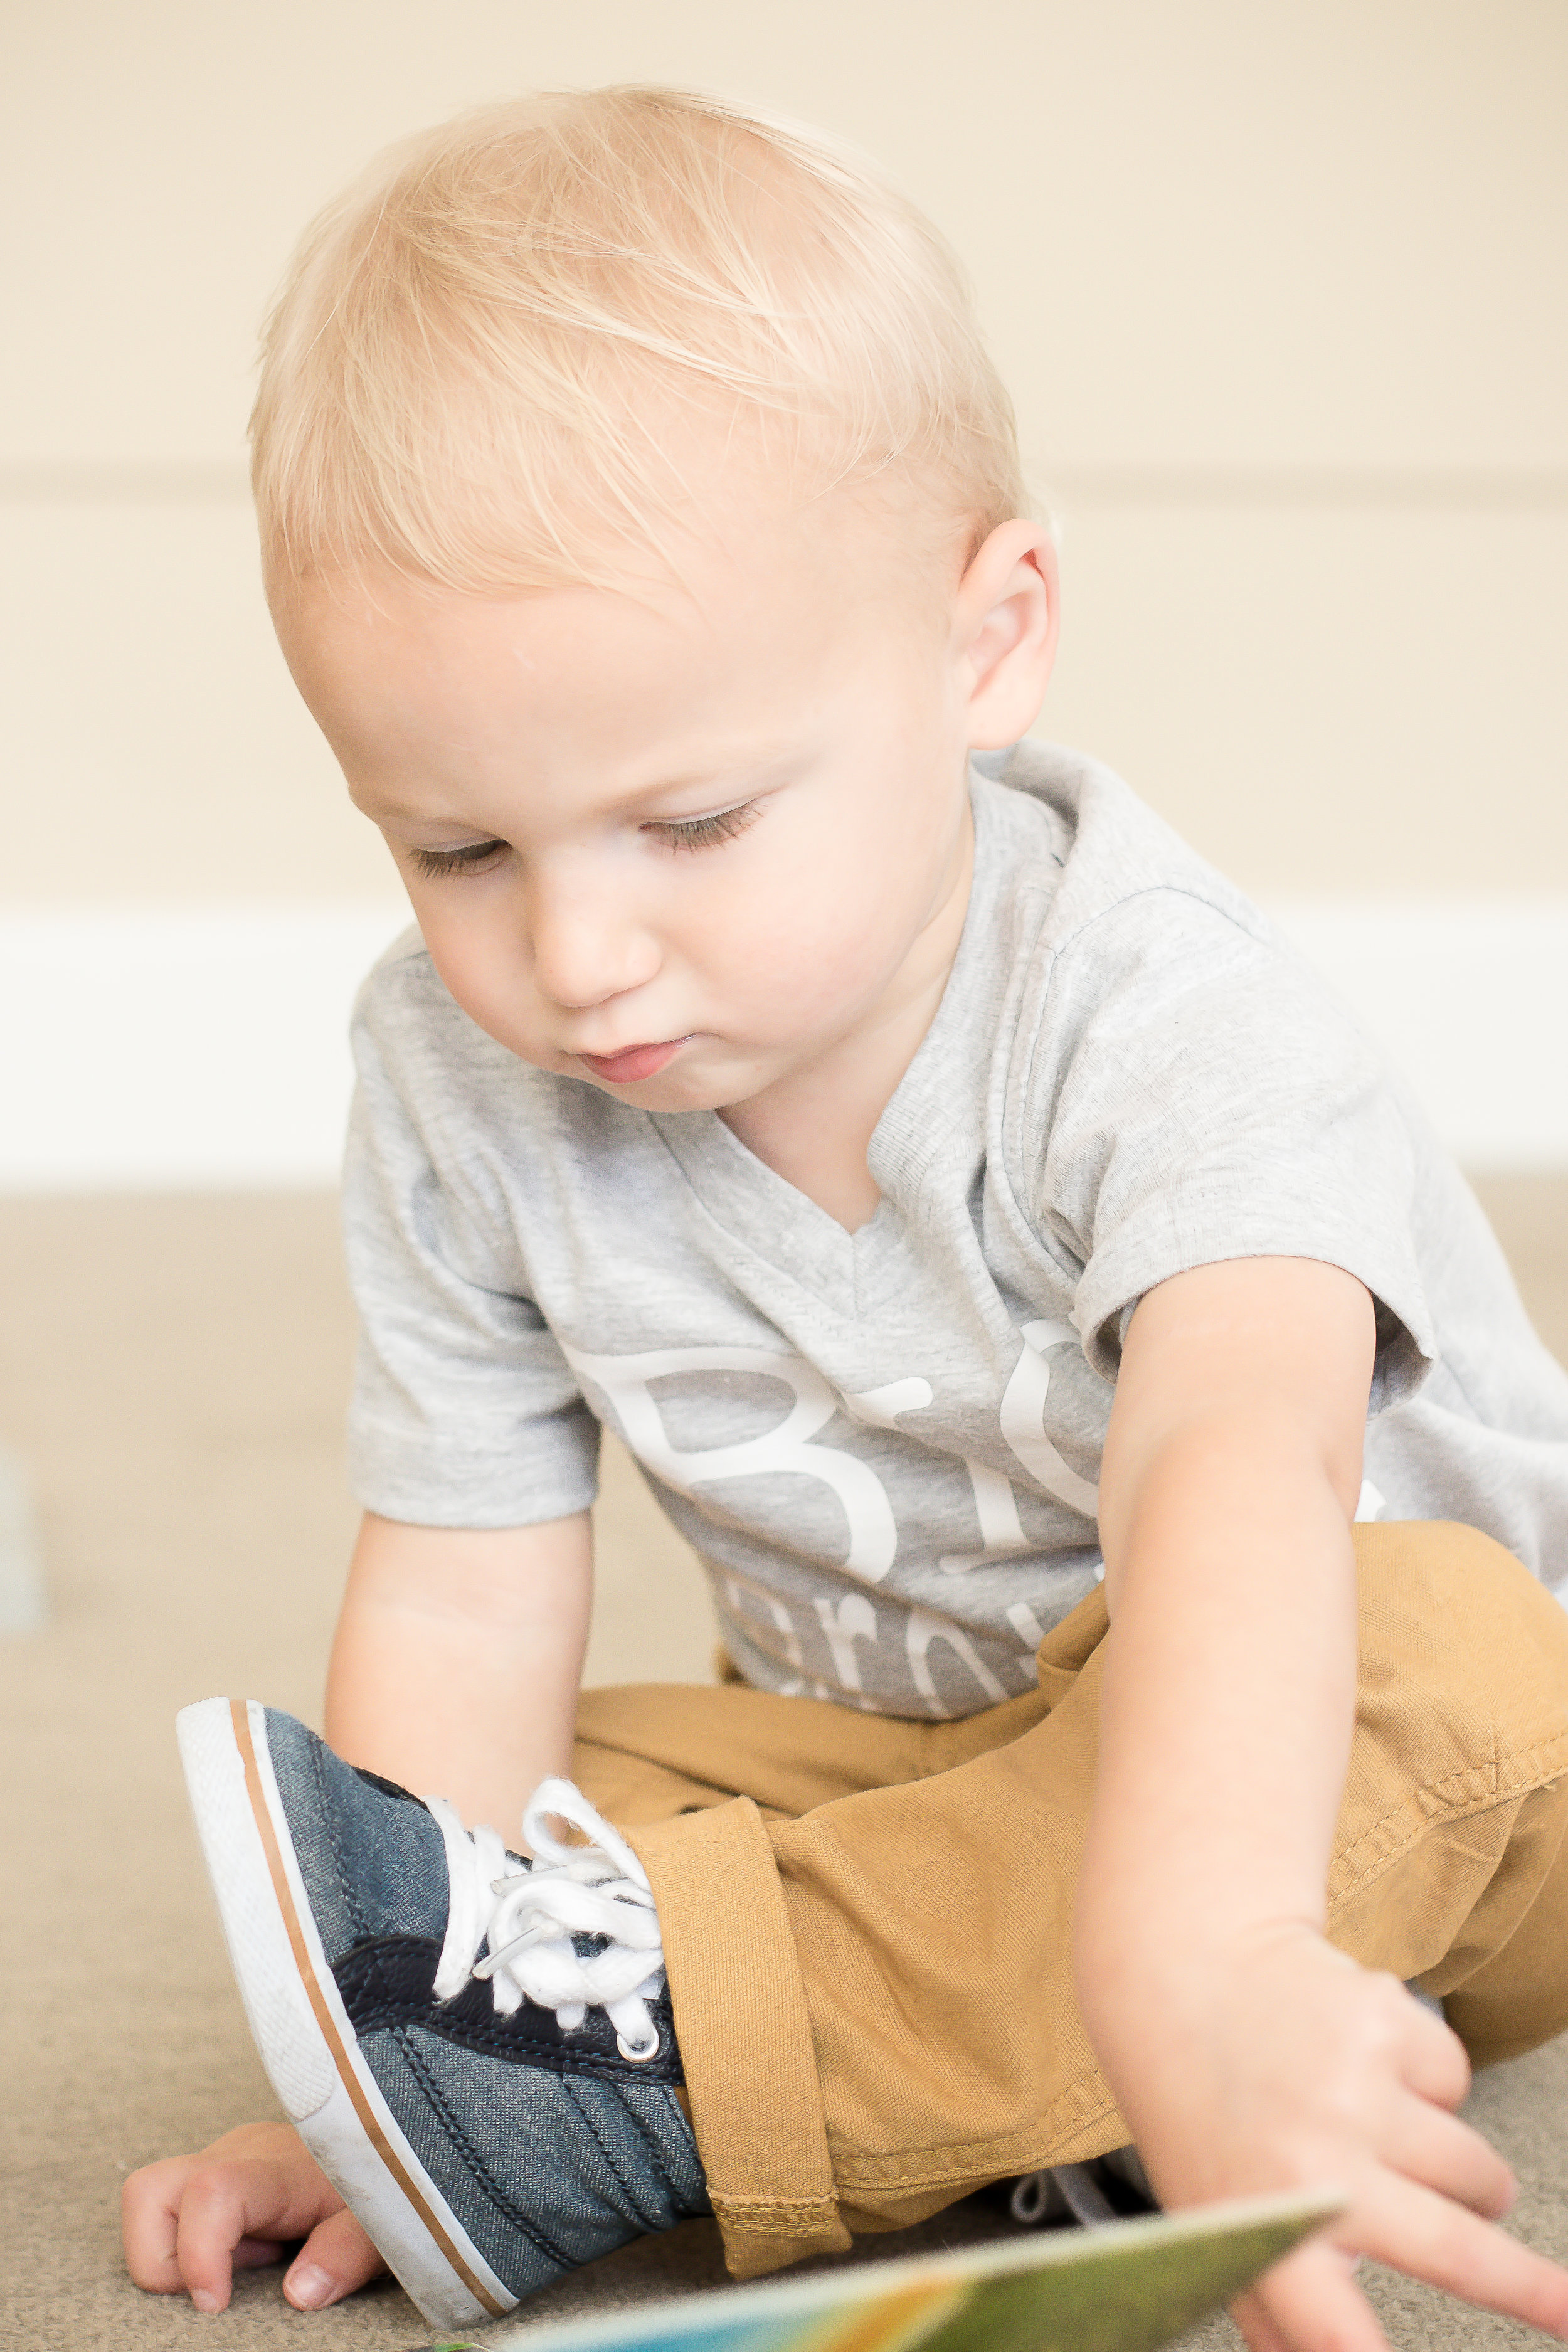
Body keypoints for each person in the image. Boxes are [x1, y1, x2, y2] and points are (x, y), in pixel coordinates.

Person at [120, 87, 1568, 2352]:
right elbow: (469, 1579)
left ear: (986, 647)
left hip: (1380, 1796)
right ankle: (637, 2082)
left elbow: (1231, 1470)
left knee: (1457, 1651)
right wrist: (372, 2040)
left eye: (687, 822)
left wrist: (1196, 1948)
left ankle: (891, 2057)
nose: (574, 956)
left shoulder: (1158, 1012)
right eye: (458, 850)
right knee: (521, 1805)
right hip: (937, 1767)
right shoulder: (448, 1073)